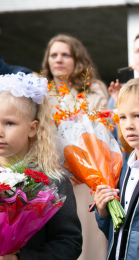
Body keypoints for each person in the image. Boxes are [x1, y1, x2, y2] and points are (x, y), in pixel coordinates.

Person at [0, 73, 82, 260]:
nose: (0, 132)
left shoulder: (52, 180)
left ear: (32, 128)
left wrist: (22, 258)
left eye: (9, 123)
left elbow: (69, 243)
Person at [41, 34, 108, 260]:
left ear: (77, 58)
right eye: (54, 55)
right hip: (52, 176)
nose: (58, 60)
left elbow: (101, 133)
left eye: (65, 54)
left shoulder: (94, 90)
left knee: (89, 242)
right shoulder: (40, 93)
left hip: (86, 177)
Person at [94, 77, 139, 260]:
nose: (128, 125)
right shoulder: (120, 167)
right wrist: (102, 211)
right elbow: (116, 232)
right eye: (123, 117)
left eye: (138, 116)